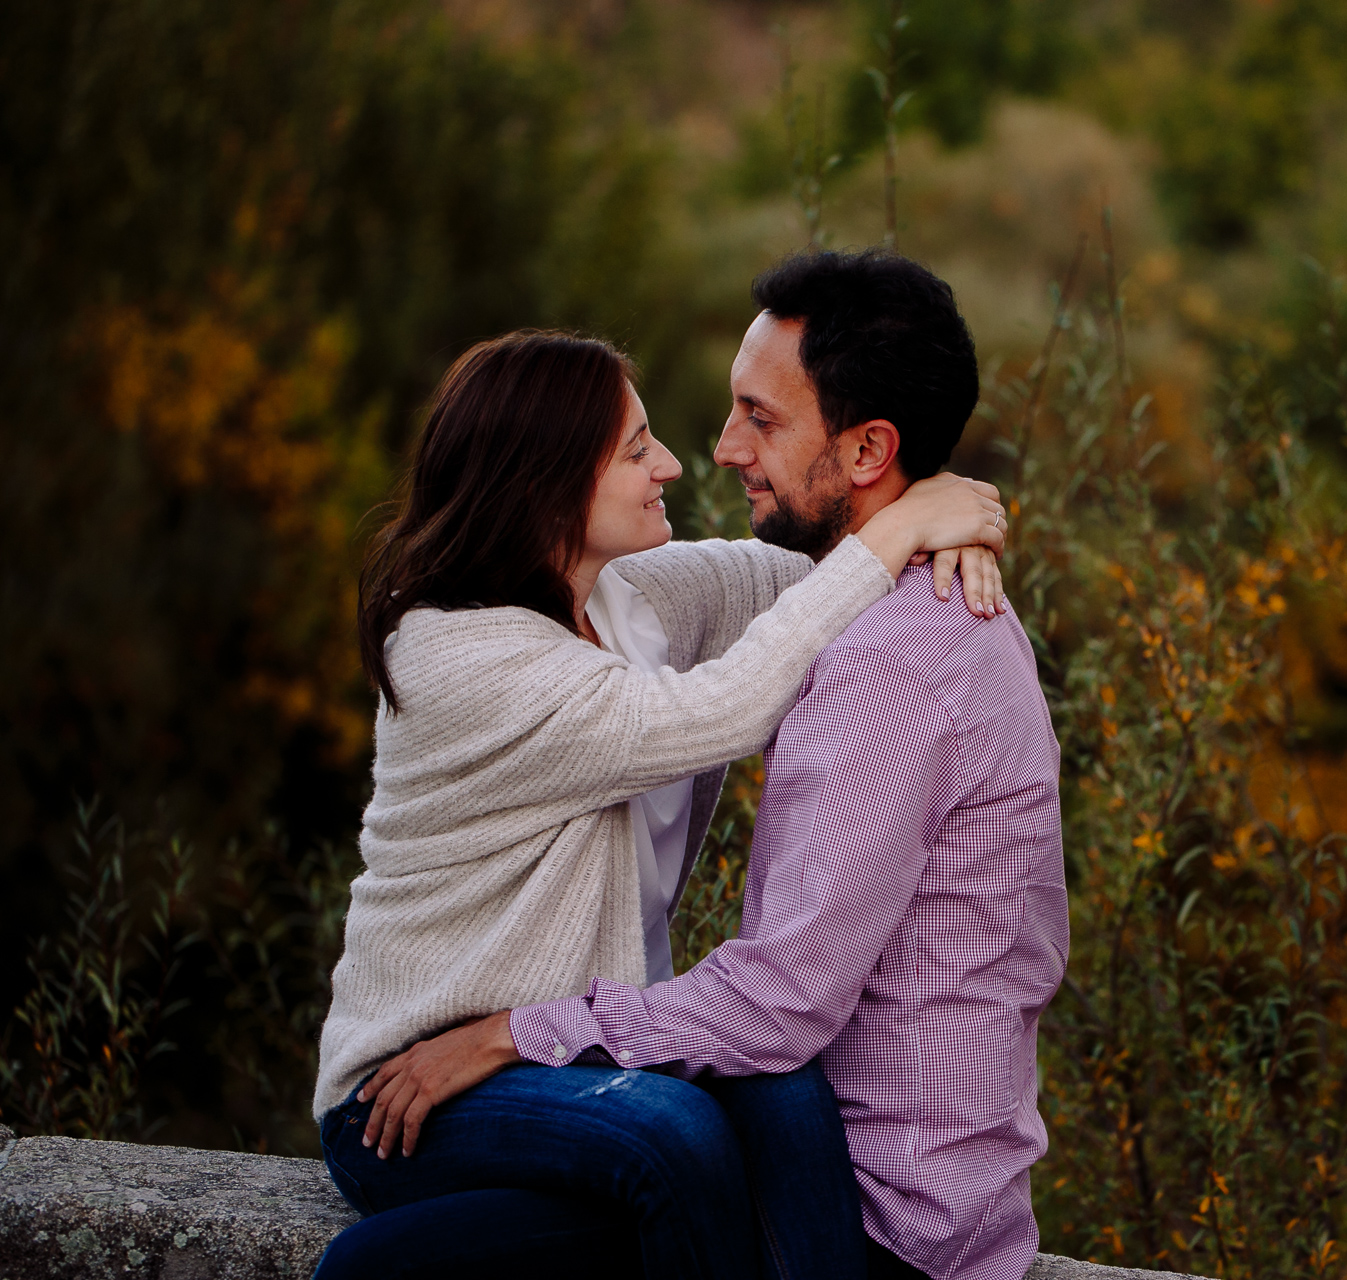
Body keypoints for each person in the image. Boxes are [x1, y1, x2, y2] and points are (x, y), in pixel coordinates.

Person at [365, 250, 1068, 1280]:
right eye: (643, 445)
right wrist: (918, 512)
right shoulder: (484, 647)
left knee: (395, 1261)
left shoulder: (862, 654)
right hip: (836, 1168)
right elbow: (743, 674)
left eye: (762, 419)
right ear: (544, 482)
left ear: (871, 445)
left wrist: (942, 505)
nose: (711, 453)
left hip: (871, 1212)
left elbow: (777, 1004)